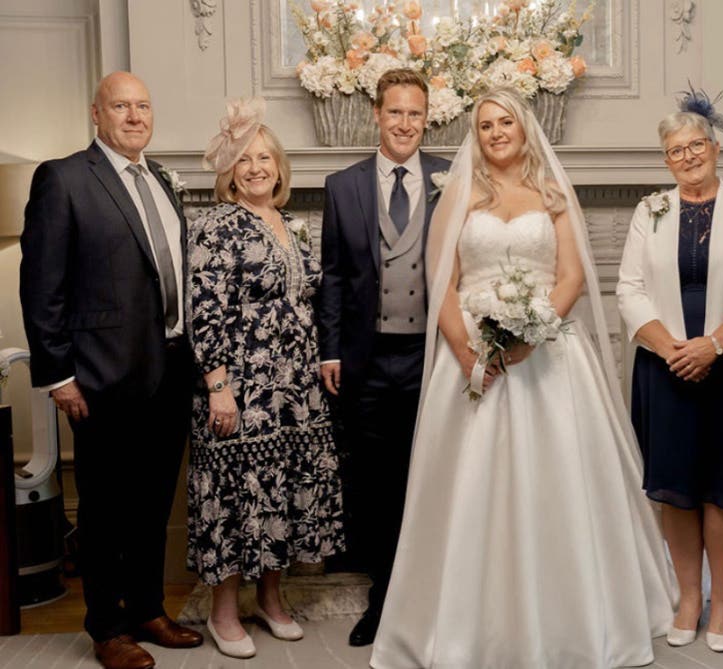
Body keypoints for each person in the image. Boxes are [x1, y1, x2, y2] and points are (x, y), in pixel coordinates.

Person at [368, 87, 676, 669]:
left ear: (524, 127)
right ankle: (463, 623)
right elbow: (443, 282)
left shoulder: (552, 192)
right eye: (486, 125)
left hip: (548, 354)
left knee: (557, 485)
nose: (496, 133)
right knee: (469, 489)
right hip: (472, 356)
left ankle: (570, 617)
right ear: (476, 135)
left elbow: (572, 276)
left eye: (505, 122)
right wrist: (469, 355)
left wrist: (533, 333)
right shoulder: (458, 194)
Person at [19, 71, 203, 669]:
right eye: (120, 106)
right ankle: (107, 628)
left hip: (170, 368)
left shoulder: (162, 180)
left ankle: (148, 609)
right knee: (104, 511)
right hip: (100, 376)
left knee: (152, 503)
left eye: (142, 105)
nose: (134, 116)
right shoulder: (64, 178)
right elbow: (41, 285)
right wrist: (58, 375)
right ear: (96, 114)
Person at [617, 105, 723, 652]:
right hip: (665, 367)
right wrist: (671, 348)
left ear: (715, 148)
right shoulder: (650, 210)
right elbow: (629, 288)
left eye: (696, 145)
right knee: (678, 490)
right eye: (675, 150)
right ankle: (690, 598)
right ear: (666, 160)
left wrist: (713, 345)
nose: (687, 157)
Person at [188, 98, 344, 659]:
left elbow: (311, 301)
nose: (256, 168)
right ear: (229, 172)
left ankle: (271, 600)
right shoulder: (214, 227)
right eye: (244, 159)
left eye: (264, 157)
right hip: (242, 388)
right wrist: (218, 387)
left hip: (295, 390)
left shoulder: (294, 226)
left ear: (279, 167)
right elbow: (203, 311)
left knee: (283, 492)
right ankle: (223, 611)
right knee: (235, 497)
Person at [317, 68, 450, 647]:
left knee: (430, 474)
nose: (404, 123)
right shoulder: (342, 185)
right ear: (377, 113)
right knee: (372, 483)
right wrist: (328, 351)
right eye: (395, 112)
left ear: (427, 118)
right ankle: (383, 597)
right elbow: (333, 276)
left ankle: (431, 597)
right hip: (365, 358)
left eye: (414, 114)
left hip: (433, 355)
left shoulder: (451, 177)